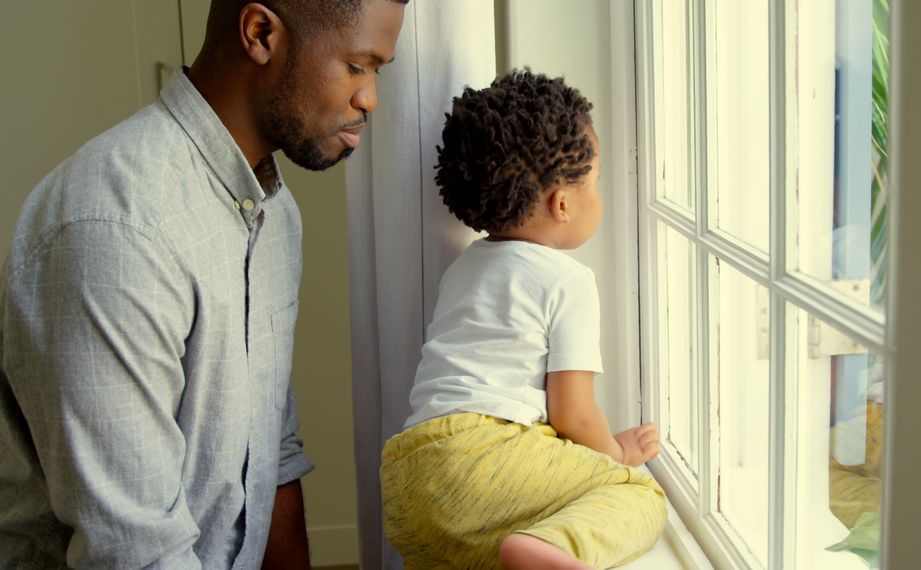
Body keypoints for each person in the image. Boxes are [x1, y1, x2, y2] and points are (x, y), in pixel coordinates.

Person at [0, 0, 406, 567]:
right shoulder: (115, 225)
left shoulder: (275, 213)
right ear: (260, 33)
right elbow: (134, 551)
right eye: (358, 66)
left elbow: (271, 454)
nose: (370, 99)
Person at [380, 70, 668, 570]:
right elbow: (572, 414)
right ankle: (553, 548)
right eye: (595, 181)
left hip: (410, 477)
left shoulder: (466, 265)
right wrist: (614, 458)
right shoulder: (567, 280)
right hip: (484, 456)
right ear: (562, 203)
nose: (599, 195)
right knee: (641, 497)